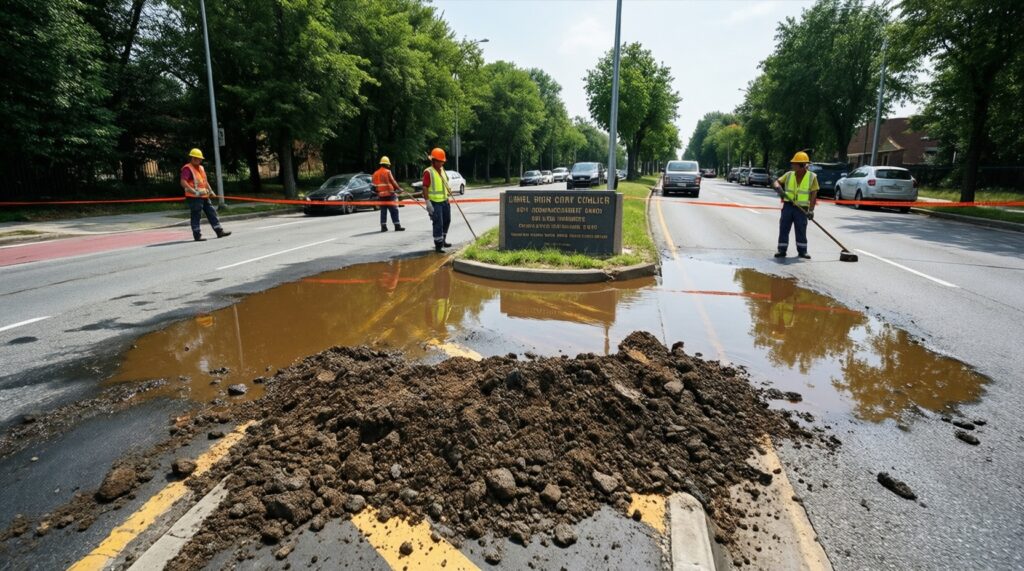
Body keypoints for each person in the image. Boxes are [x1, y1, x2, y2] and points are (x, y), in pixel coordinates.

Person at [772, 151, 818, 259]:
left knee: (801, 229)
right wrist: (779, 189)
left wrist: (811, 210)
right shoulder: (789, 175)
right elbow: (776, 182)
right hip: (788, 206)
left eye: (794, 163)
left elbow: (814, 194)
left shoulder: (812, 177)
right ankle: (781, 250)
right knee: (784, 227)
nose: (792, 165)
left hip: (801, 208)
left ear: (801, 165)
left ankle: (802, 251)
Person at [180, 148, 231, 242]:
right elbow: (183, 182)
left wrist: (211, 190)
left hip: (203, 195)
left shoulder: (201, 168)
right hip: (194, 197)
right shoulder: (187, 168)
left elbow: (205, 181)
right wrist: (193, 191)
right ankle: (197, 235)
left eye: (200, 159)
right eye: (198, 158)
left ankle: (219, 231)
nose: (200, 160)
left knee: (212, 212)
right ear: (193, 158)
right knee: (196, 215)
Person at [421, 147, 452, 252]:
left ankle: (443, 240)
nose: (442, 164)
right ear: (434, 161)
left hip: (445, 200)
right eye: (440, 161)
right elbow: (425, 187)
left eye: (443, 162)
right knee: (438, 223)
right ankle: (438, 245)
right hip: (434, 202)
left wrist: (448, 191)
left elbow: (445, 182)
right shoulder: (428, 172)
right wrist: (428, 202)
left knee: (447, 221)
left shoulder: (442, 170)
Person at [372, 156, 405, 232]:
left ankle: (383, 226)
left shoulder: (375, 173)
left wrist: (377, 193)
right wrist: (399, 189)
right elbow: (393, 181)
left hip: (381, 195)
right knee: (394, 210)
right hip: (390, 194)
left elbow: (373, 185)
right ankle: (397, 225)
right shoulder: (387, 172)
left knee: (383, 211)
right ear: (387, 164)